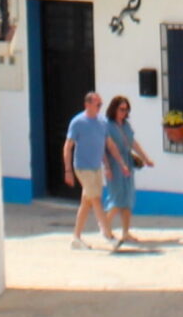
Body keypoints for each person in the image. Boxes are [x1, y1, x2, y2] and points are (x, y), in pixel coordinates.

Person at [62, 91, 127, 249]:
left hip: (96, 167)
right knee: (96, 200)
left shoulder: (102, 122)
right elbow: (68, 146)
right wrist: (68, 170)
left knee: (86, 202)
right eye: (97, 104)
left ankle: (76, 238)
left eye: (100, 104)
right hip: (82, 168)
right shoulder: (77, 122)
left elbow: (108, 145)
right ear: (87, 104)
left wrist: (117, 164)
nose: (99, 107)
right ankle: (108, 235)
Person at [100, 95, 153, 249]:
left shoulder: (126, 125)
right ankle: (104, 227)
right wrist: (107, 167)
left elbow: (133, 143)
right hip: (115, 164)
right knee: (117, 198)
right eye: (121, 109)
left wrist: (145, 158)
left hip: (127, 163)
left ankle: (126, 232)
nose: (124, 112)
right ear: (114, 109)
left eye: (126, 110)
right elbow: (103, 148)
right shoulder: (107, 126)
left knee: (128, 199)